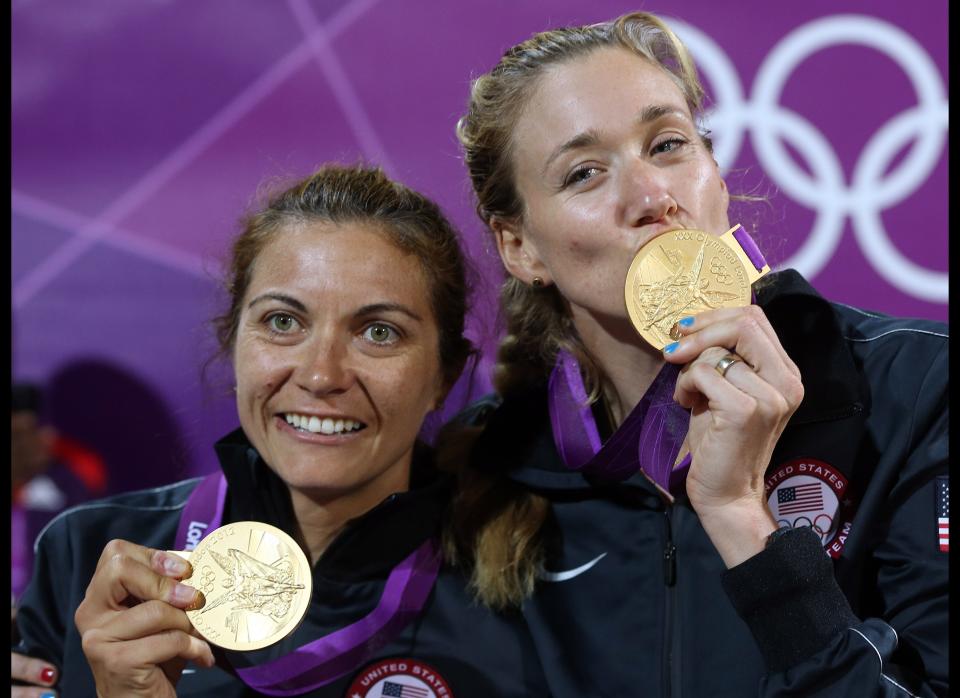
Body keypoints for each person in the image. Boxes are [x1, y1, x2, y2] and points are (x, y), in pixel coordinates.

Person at [443, 11, 948, 697]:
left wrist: (742, 519)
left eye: (669, 145)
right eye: (586, 173)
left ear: (715, 173)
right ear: (521, 247)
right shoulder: (490, 469)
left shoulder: (917, 389)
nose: (653, 196)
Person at [12, 165, 550, 697]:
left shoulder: (525, 592)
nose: (321, 375)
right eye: (283, 322)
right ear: (234, 339)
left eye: (379, 332)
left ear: (444, 375)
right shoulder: (88, 555)